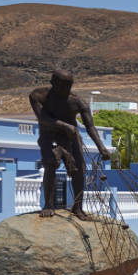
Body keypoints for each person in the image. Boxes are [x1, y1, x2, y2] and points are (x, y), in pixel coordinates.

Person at [27, 70, 107, 217]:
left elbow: (90, 126)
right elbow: (43, 119)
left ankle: (77, 207)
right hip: (48, 134)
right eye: (63, 85)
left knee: (79, 169)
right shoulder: (38, 96)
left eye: (69, 85)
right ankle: (48, 204)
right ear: (53, 82)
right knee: (50, 163)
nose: (66, 89)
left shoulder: (77, 102)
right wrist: (65, 126)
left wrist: (101, 147)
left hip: (70, 137)